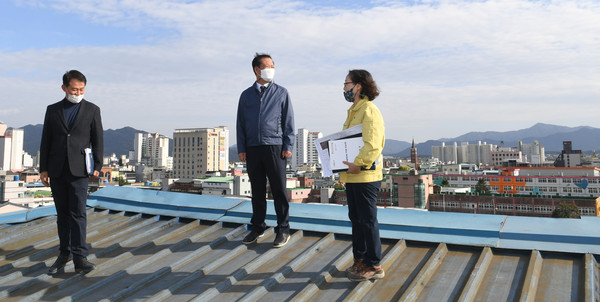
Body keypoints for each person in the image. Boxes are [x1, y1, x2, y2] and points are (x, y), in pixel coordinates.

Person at [40, 70, 103, 274]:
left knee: (78, 213)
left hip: (79, 169)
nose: (78, 92)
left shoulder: (92, 109)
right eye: (74, 89)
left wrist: (98, 166)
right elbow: (46, 140)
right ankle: (63, 253)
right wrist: (43, 168)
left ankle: (80, 257)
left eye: (82, 89)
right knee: (62, 215)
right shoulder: (52, 110)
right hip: (57, 169)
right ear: (64, 88)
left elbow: (97, 139)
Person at [236, 53, 295, 248]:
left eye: (273, 65)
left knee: (279, 189)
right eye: (268, 65)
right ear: (257, 69)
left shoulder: (281, 92)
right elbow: (241, 123)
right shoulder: (246, 95)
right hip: (252, 147)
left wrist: (288, 145)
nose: (272, 69)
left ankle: (283, 229)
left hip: (275, 146)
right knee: (257, 190)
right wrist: (242, 148)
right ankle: (258, 227)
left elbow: (288, 121)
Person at [340, 69, 386, 281]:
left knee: (367, 221)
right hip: (353, 176)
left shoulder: (369, 110)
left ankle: (374, 265)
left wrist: (358, 165)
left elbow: (373, 144)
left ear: (358, 86)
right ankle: (360, 260)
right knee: (356, 220)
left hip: (366, 176)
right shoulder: (354, 110)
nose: (344, 88)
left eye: (347, 83)